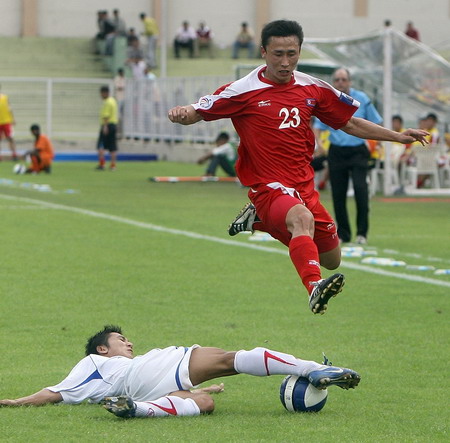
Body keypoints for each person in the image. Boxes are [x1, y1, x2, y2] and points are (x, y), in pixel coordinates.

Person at [168, 19, 429, 315]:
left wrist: (396, 136)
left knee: (331, 257)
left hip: (303, 184)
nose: (285, 62)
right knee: (301, 220)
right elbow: (200, 109)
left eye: (291, 54)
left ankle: (259, 220)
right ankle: (313, 286)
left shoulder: (313, 88)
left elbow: (350, 123)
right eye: (278, 54)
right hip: (268, 185)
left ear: (300, 52)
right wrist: (182, 113)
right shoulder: (242, 90)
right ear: (263, 52)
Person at [0, 325, 360, 418]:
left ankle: (136, 411)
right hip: (151, 371)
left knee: (204, 403)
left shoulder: (107, 377)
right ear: (101, 348)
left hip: (144, 391)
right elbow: (55, 392)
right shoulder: (94, 364)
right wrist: (16, 402)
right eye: (120, 339)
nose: (128, 343)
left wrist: (213, 390)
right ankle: (315, 369)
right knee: (230, 358)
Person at [313, 68, 384, 245]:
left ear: (350, 82)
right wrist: (319, 145)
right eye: (337, 80)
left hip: (359, 150)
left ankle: (362, 233)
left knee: (361, 190)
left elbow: (376, 121)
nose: (340, 83)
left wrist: (372, 143)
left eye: (344, 79)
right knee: (338, 194)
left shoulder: (362, 99)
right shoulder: (328, 99)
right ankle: (343, 234)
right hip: (337, 151)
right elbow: (317, 126)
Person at [96, 86, 118, 171]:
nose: (101, 95)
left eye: (101, 93)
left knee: (101, 145)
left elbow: (106, 115)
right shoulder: (113, 101)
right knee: (113, 147)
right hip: (113, 125)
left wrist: (105, 126)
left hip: (107, 125)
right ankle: (113, 165)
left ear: (105, 93)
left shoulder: (107, 102)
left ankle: (102, 164)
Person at [0, 84, 18, 161]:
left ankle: (14, 155)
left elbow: (9, 108)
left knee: (10, 138)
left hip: (6, 122)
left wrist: (13, 119)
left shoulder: (5, 97)